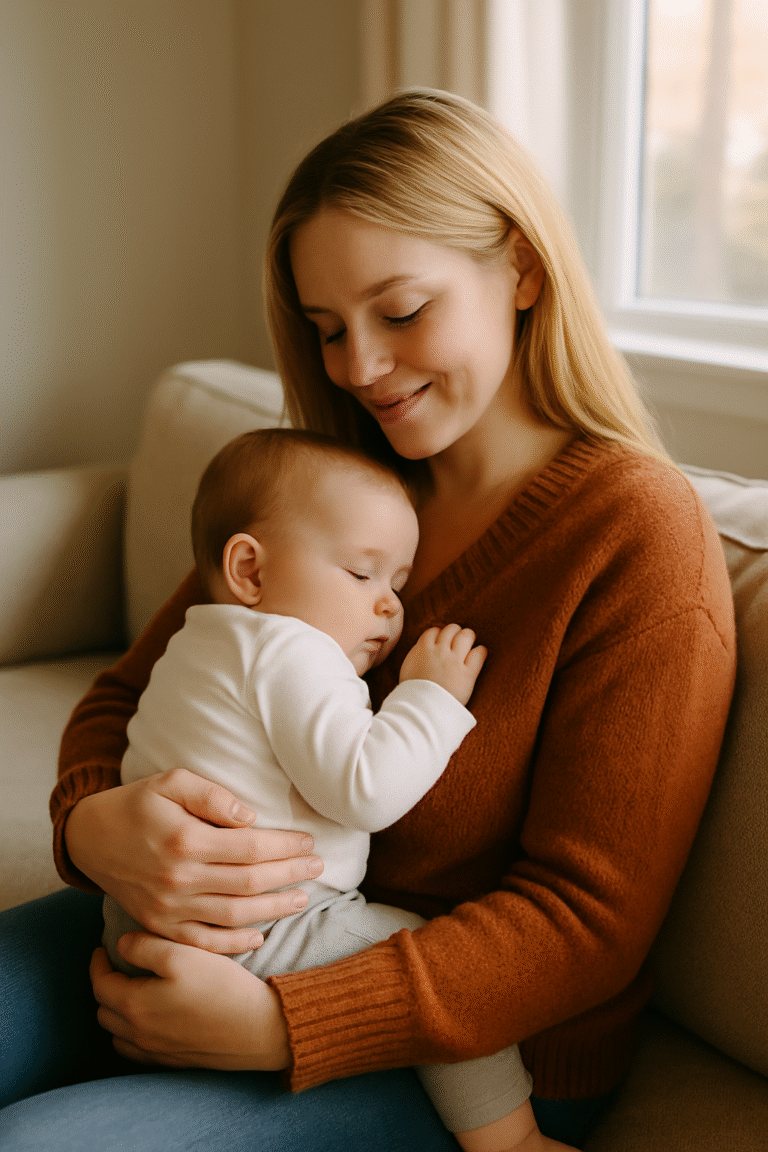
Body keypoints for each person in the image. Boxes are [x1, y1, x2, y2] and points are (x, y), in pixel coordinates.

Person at [0, 89, 736, 1151]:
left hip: (468, 1056)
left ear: (521, 269)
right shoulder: (338, 485)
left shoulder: (635, 535)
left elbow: (587, 921)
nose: (358, 369)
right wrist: (94, 825)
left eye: (400, 312)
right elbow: (131, 691)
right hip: (199, 929)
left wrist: (283, 1024)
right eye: (326, 328)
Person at [102, 425, 564, 1151]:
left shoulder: (200, 638)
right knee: (414, 946)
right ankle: (511, 1140)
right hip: (259, 931)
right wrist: (430, 699)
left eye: (398, 584)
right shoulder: (293, 648)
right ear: (248, 570)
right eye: (361, 574)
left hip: (141, 917)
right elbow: (366, 789)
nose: (388, 607)